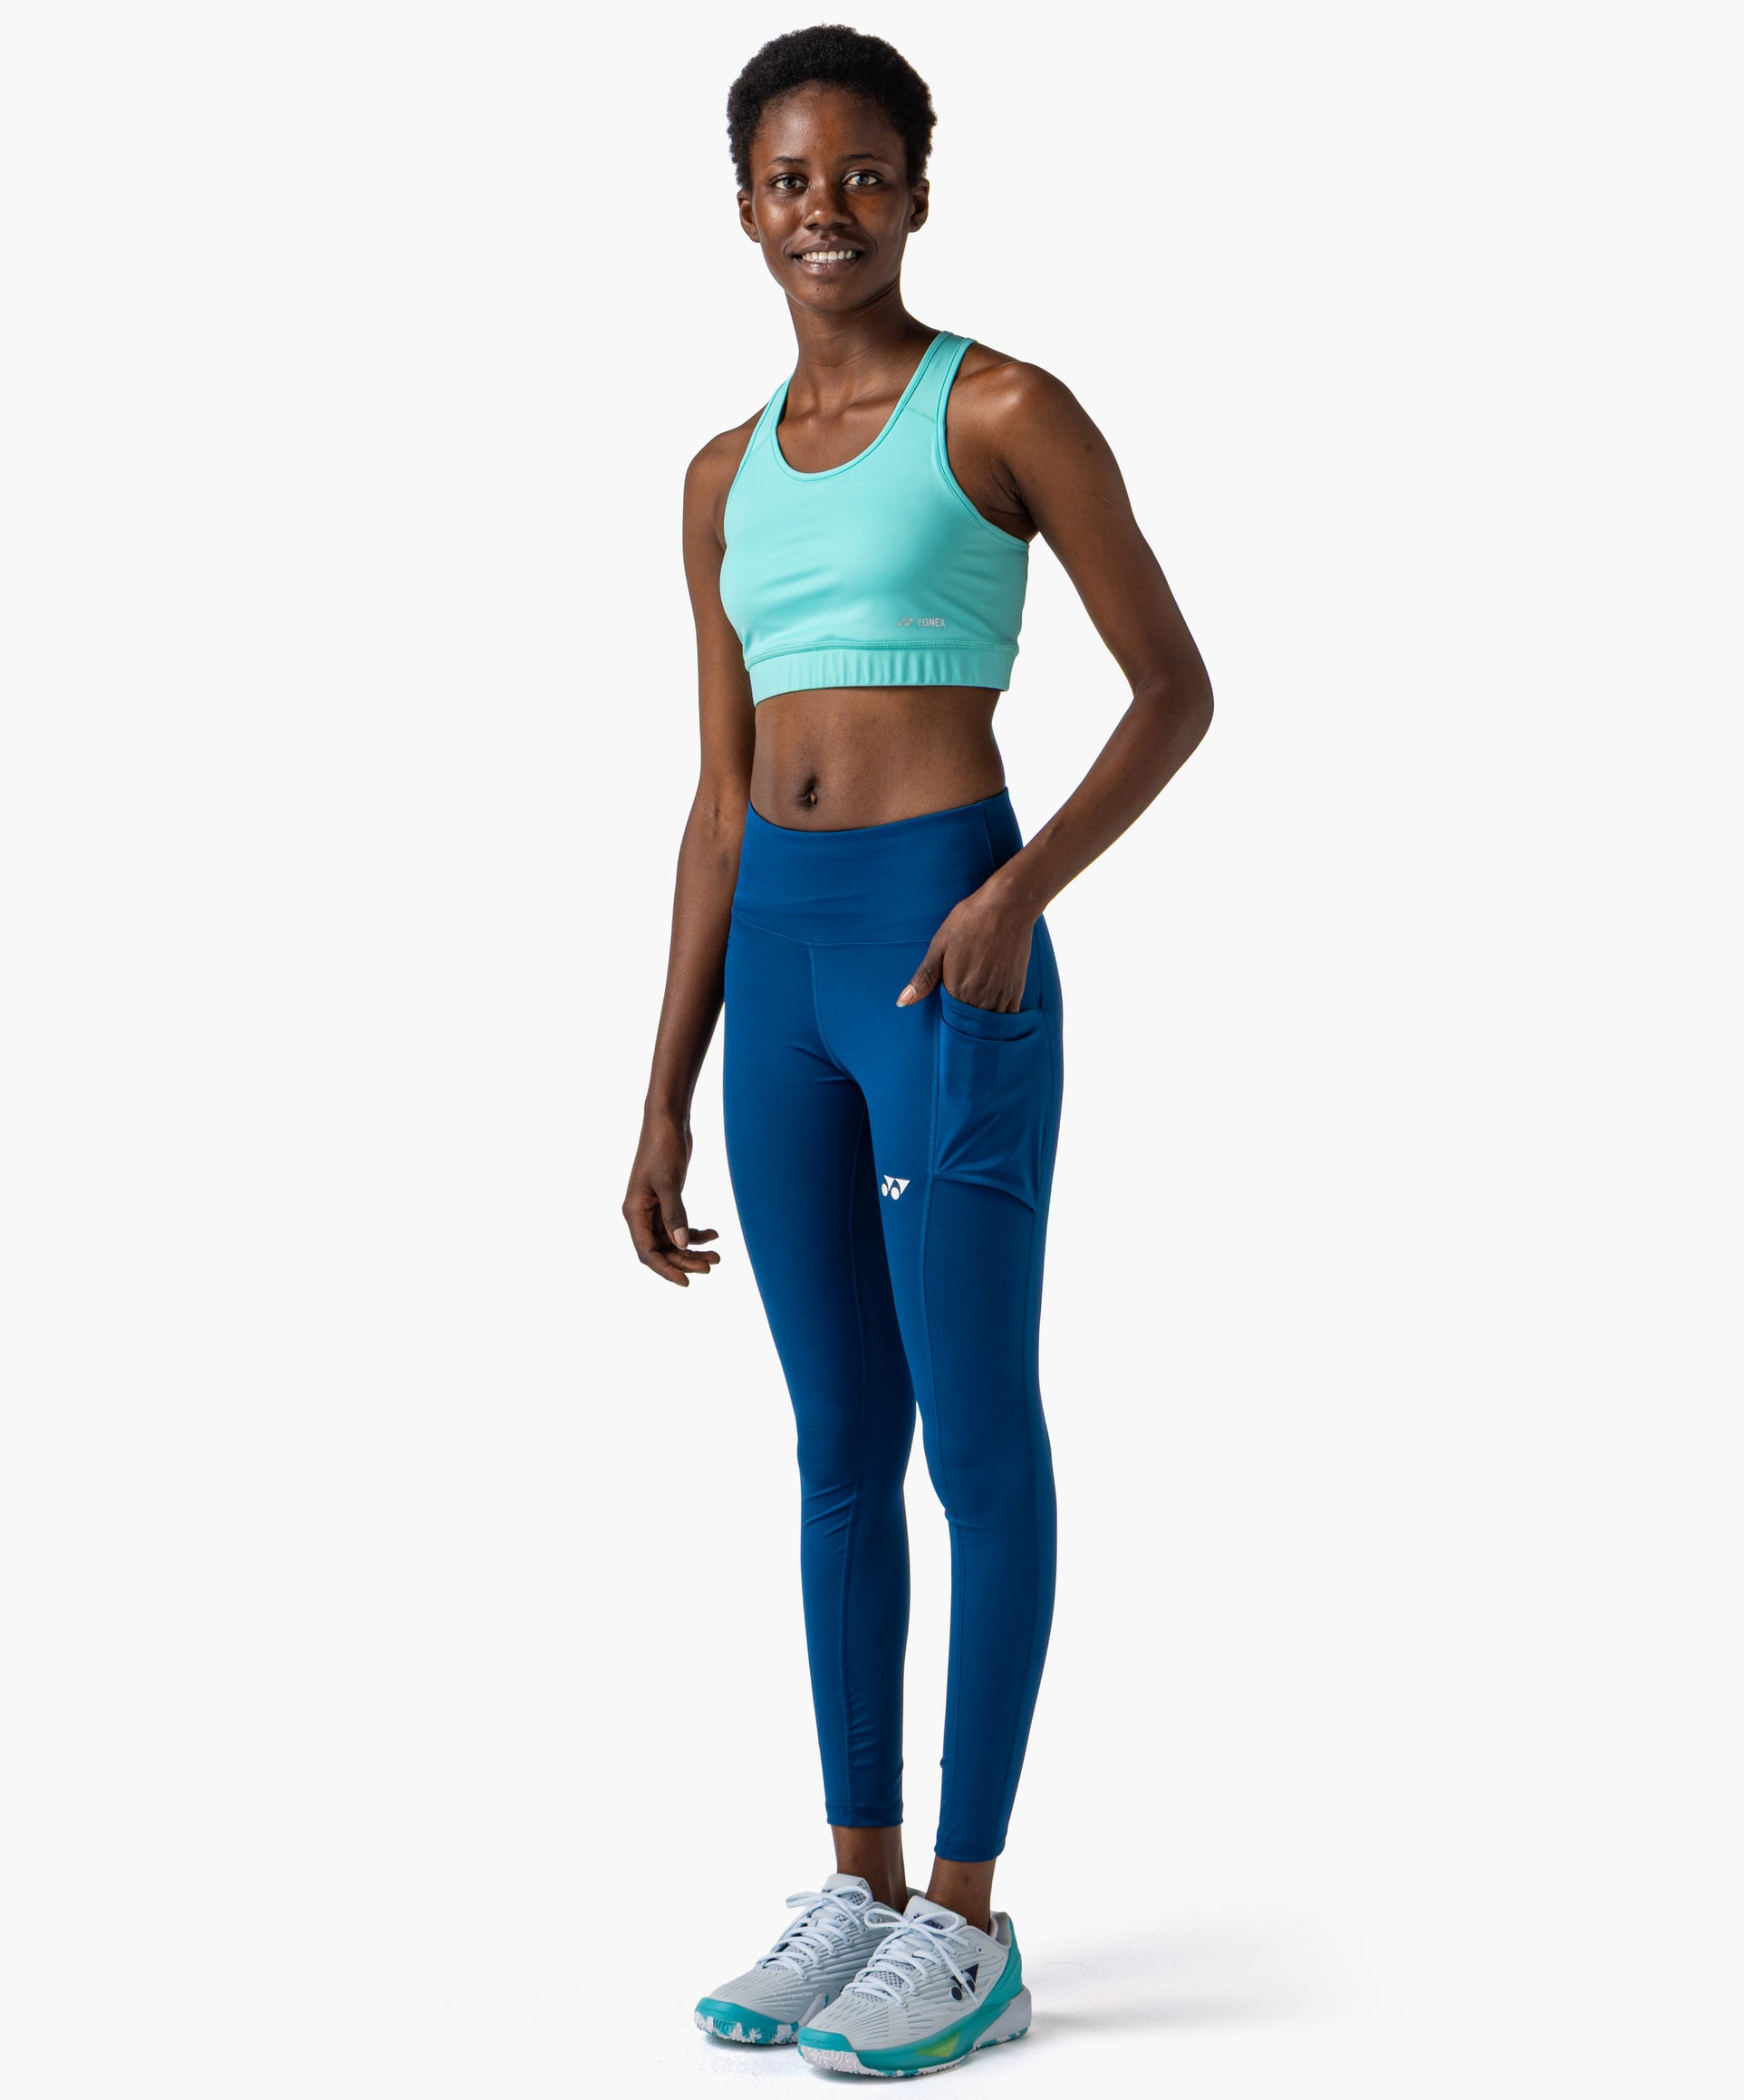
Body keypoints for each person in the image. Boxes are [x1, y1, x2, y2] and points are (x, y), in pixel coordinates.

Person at [622, 24, 1213, 2077]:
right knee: (833, 1446)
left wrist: (1018, 889)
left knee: (973, 1436)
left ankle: (967, 1916)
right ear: (742, 205)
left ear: (919, 193)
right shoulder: (716, 477)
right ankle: (858, 1883)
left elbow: (1174, 688)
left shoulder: (1006, 410)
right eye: (790, 179)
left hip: (942, 950)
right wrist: (660, 1089)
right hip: (781, 973)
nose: (826, 211)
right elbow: (715, 805)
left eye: (862, 174)